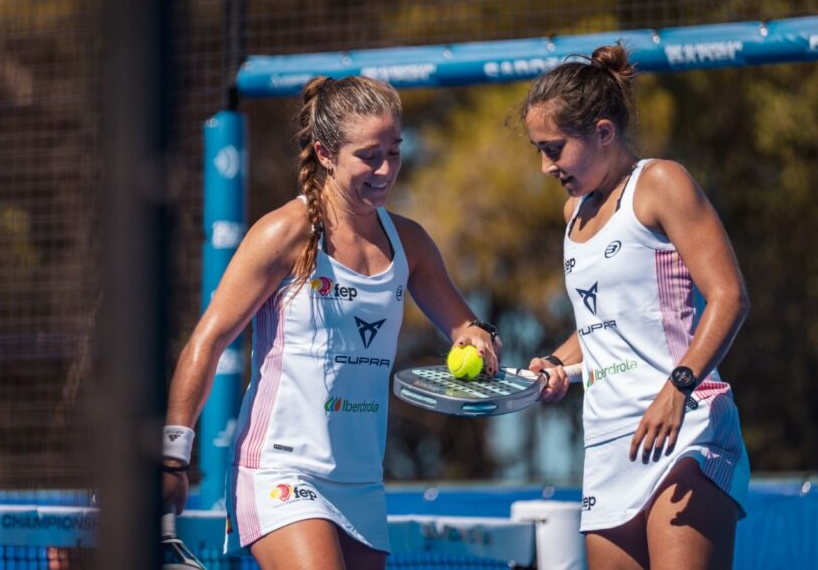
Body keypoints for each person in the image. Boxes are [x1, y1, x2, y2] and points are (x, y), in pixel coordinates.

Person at [161, 75, 499, 569]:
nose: (386, 169)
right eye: (369, 155)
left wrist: (478, 337)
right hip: (281, 467)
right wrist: (173, 455)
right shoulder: (286, 232)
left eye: (395, 151)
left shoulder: (410, 243)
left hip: (361, 478)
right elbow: (207, 340)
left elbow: (467, 326)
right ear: (324, 153)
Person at [522, 43, 751, 569]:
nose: (543, 166)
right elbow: (601, 325)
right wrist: (557, 363)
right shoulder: (572, 214)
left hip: (686, 425)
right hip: (608, 443)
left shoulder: (660, 182)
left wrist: (678, 387)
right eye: (537, 149)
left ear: (603, 132)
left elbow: (730, 296)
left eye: (553, 148)